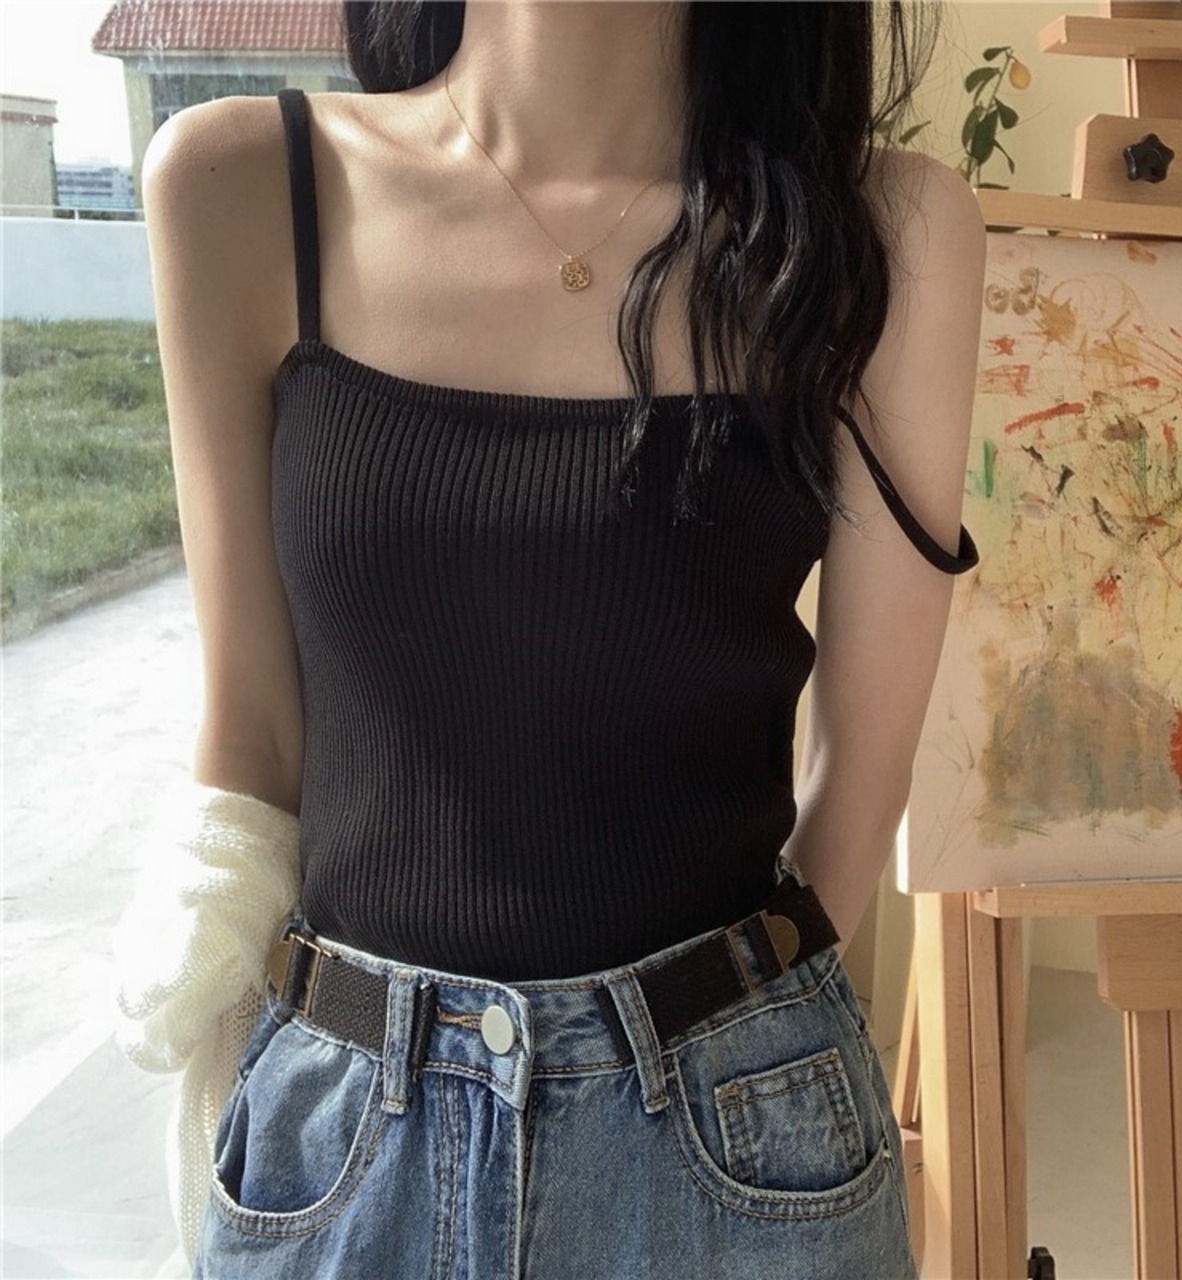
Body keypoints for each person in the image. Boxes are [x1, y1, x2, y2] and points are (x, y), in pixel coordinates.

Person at [132, 1, 984, 1275]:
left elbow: (859, 771)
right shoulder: (241, 185)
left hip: (732, 1149)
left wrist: (717, 1034)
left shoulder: (882, 231)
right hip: (342, 1142)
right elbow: (254, 735)